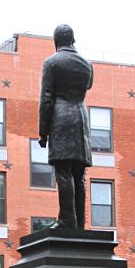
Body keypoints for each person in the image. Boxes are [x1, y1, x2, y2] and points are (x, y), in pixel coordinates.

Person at [38, 24, 94, 229]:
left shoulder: (51, 63)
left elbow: (46, 98)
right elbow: (87, 86)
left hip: (61, 118)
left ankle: (66, 220)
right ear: (73, 40)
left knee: (63, 170)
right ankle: (79, 221)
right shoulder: (87, 64)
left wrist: (43, 132)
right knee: (79, 174)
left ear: (56, 42)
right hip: (81, 118)